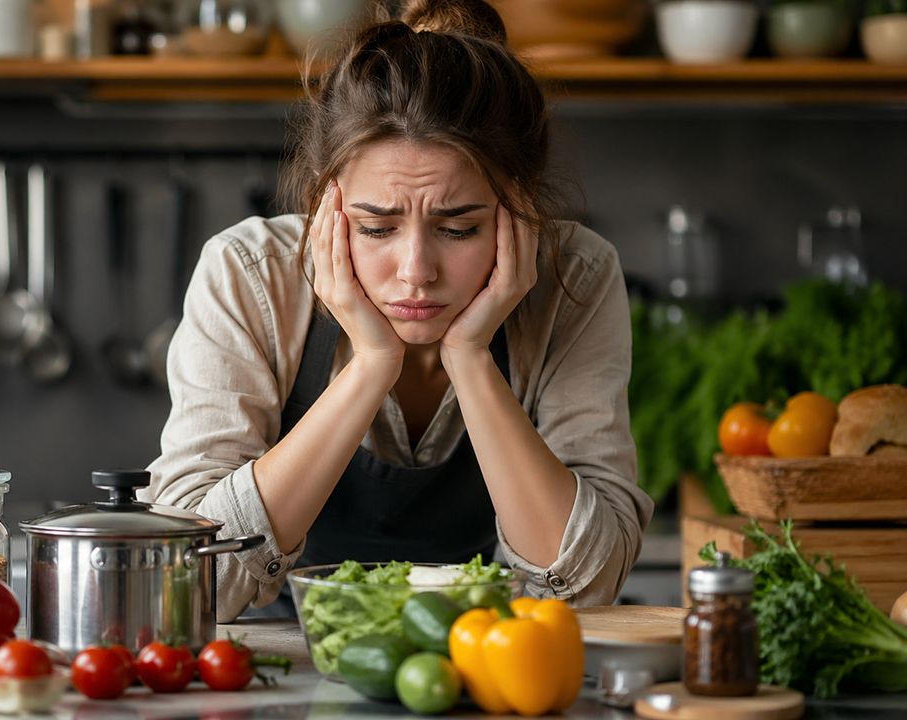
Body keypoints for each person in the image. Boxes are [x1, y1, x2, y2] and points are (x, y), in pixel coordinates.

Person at [140, 0, 653, 622]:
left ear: (519, 215)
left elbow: (586, 584)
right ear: (325, 205)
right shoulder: (249, 275)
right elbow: (187, 581)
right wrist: (371, 365)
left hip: (487, 652)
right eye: (376, 228)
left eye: (459, 228)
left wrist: (470, 357)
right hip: (276, 652)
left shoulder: (574, 277)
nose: (416, 270)